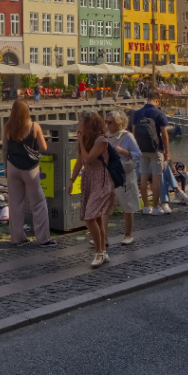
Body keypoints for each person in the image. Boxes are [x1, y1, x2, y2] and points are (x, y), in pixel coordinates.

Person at [3, 99, 55, 247]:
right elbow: (43, 146)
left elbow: (5, 150)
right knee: (38, 203)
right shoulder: (34, 126)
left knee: (15, 203)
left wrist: (6, 167)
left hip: (12, 166)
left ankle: (17, 238)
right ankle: (43, 238)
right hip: (30, 168)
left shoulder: (8, 127)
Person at [68, 112, 114, 267]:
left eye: (80, 122)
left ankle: (99, 252)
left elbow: (88, 159)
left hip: (101, 181)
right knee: (97, 218)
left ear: (89, 125)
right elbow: (80, 161)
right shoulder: (87, 140)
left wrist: (80, 141)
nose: (78, 125)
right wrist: (71, 181)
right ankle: (102, 252)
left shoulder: (101, 140)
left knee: (90, 217)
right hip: (89, 181)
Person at [129, 90, 171, 214]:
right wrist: (166, 151)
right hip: (156, 149)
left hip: (141, 149)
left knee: (144, 176)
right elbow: (165, 135)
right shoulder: (159, 114)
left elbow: (133, 133)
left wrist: (137, 148)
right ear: (157, 100)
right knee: (157, 178)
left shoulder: (137, 113)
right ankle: (157, 207)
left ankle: (146, 207)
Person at [104, 110, 142, 245]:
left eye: (110, 122)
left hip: (124, 173)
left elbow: (138, 154)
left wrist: (123, 151)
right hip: (109, 174)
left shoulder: (127, 136)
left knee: (127, 205)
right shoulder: (106, 136)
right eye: (106, 122)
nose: (107, 125)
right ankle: (104, 237)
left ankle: (128, 234)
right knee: (105, 206)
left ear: (119, 123)